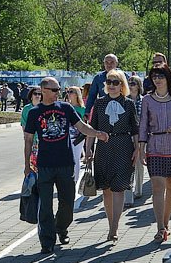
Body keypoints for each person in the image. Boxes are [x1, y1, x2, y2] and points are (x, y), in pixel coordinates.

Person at [24, 77, 107, 253]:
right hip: (44, 165)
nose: (58, 93)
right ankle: (47, 241)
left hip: (65, 163)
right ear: (44, 90)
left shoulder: (66, 108)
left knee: (67, 203)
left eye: (59, 90)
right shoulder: (34, 112)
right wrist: (27, 165)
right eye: (54, 90)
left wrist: (97, 133)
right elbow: (28, 140)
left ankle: (61, 228)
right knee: (45, 205)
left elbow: (82, 127)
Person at [84, 69, 139, 242]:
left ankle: (114, 228)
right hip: (104, 147)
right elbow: (91, 129)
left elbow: (135, 129)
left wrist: (138, 149)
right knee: (106, 189)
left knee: (119, 187)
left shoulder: (129, 103)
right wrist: (88, 150)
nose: (112, 85)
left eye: (116, 82)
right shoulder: (99, 103)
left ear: (122, 85)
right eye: (109, 82)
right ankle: (110, 224)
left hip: (123, 146)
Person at [139, 65, 171, 242]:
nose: (157, 79)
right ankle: (160, 227)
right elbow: (143, 126)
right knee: (157, 187)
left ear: (168, 78)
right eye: (154, 76)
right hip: (155, 146)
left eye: (161, 76)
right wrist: (141, 148)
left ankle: (166, 222)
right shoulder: (147, 99)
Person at [64, 87, 87, 184]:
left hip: (78, 137)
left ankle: (75, 180)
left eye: (71, 92)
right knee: (66, 158)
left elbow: (86, 124)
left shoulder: (82, 109)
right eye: (68, 92)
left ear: (77, 94)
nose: (69, 93)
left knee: (76, 158)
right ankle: (67, 178)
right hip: (66, 136)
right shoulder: (65, 107)